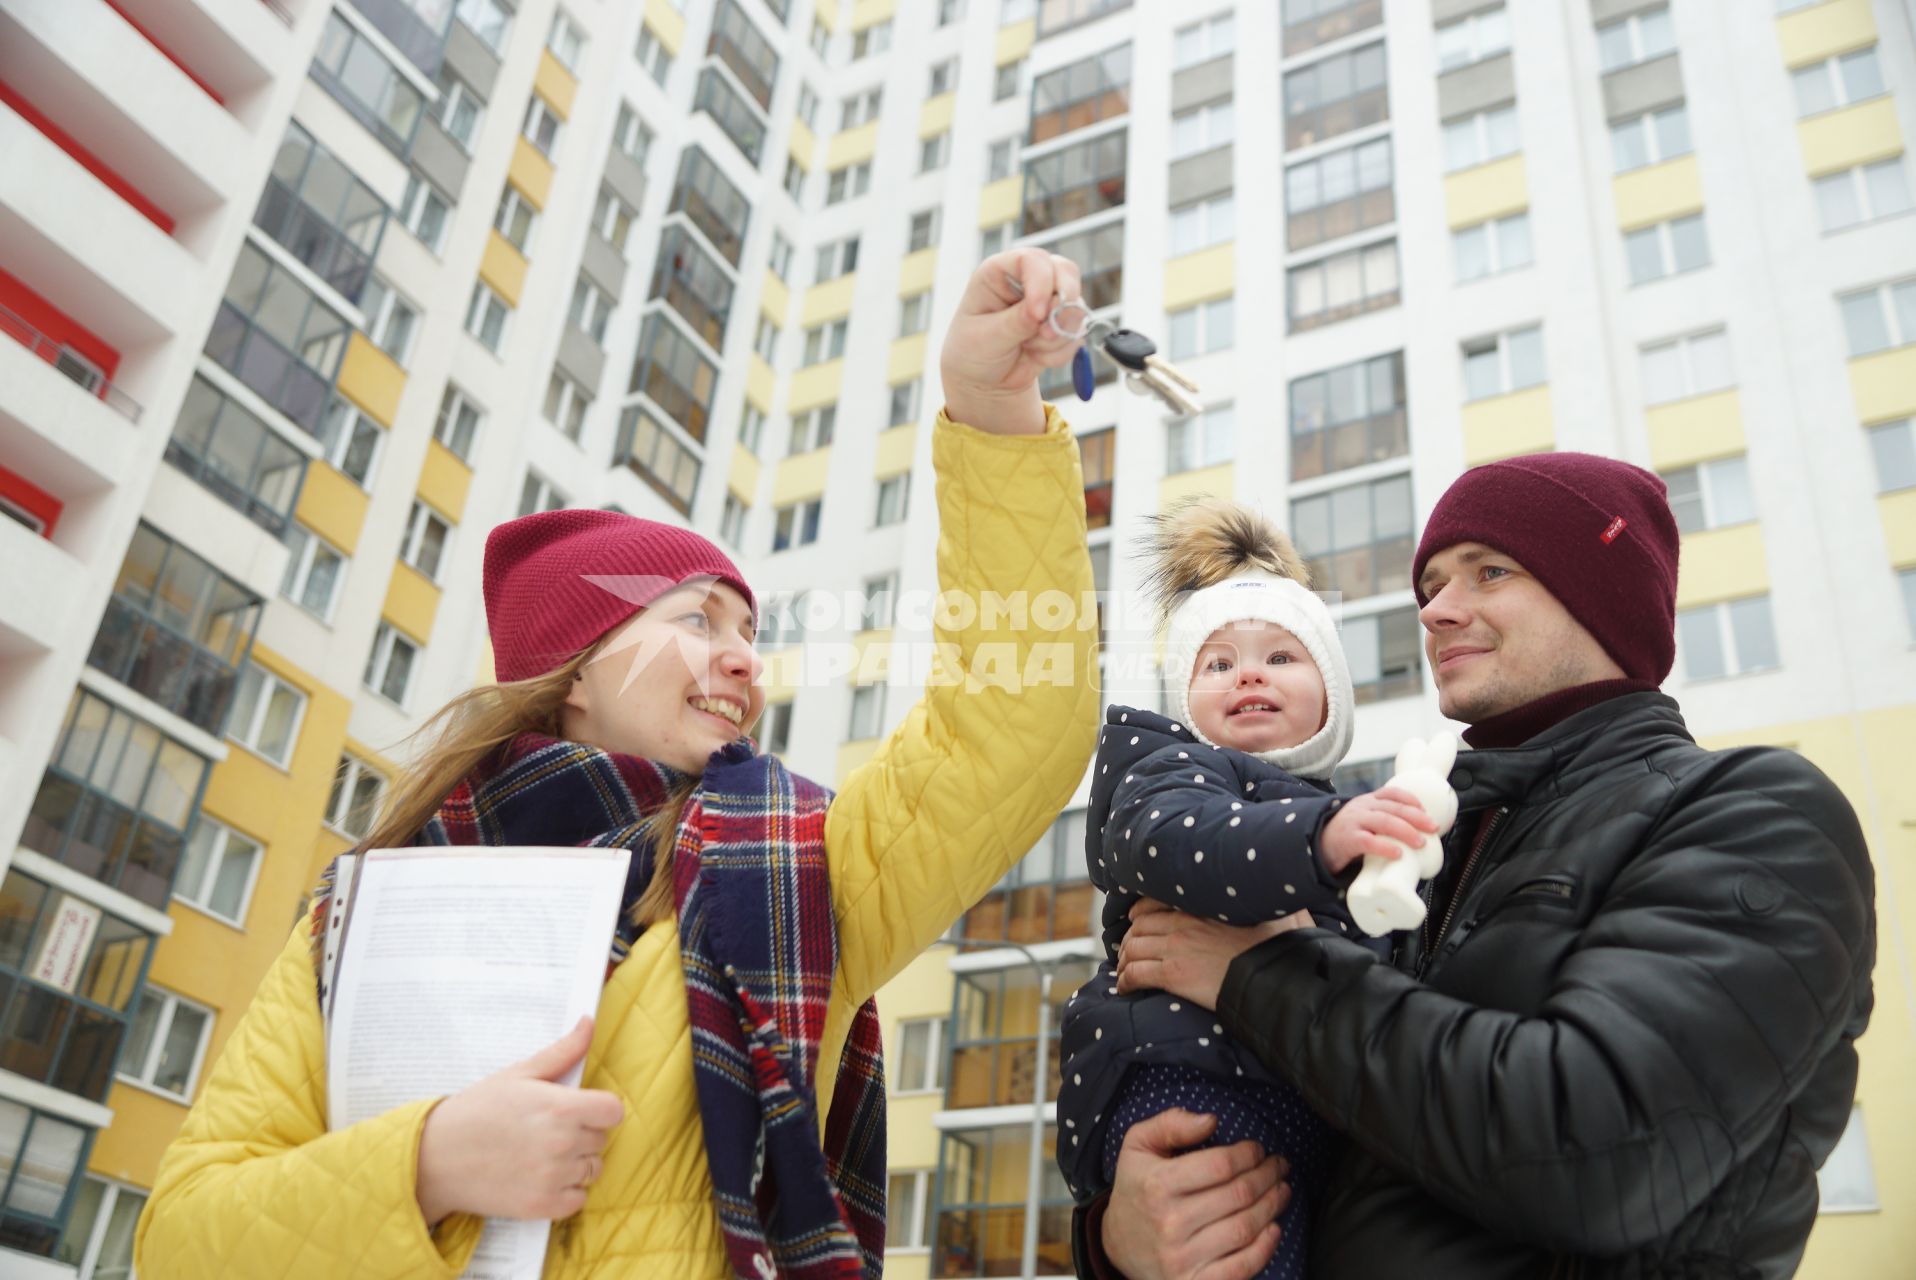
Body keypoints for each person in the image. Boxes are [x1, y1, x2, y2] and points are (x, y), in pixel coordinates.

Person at [134, 249, 1104, 1279]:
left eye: (746, 629)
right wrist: (424, 1162)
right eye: (696, 618)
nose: (742, 656)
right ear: (576, 673)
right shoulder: (362, 916)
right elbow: (182, 1236)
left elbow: (1012, 722)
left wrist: (988, 411)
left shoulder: (798, 871)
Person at [1074, 452, 1876, 1280]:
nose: (1438, 612)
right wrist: (1121, 1238)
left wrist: (1259, 972)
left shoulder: (1756, 814)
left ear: (1599, 593)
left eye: (1488, 571)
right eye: (1430, 588)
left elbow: (1599, 1154)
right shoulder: (1428, 842)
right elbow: (1344, 1123)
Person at [1056, 499, 1441, 1280]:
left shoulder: (1349, 810)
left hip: (1312, 1098)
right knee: (1231, 1250)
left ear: (1331, 693)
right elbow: (1185, 846)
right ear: (1185, 696)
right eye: (1218, 663)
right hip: (1191, 1079)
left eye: (1282, 657)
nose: (1250, 673)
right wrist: (1322, 840)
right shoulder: (1173, 773)